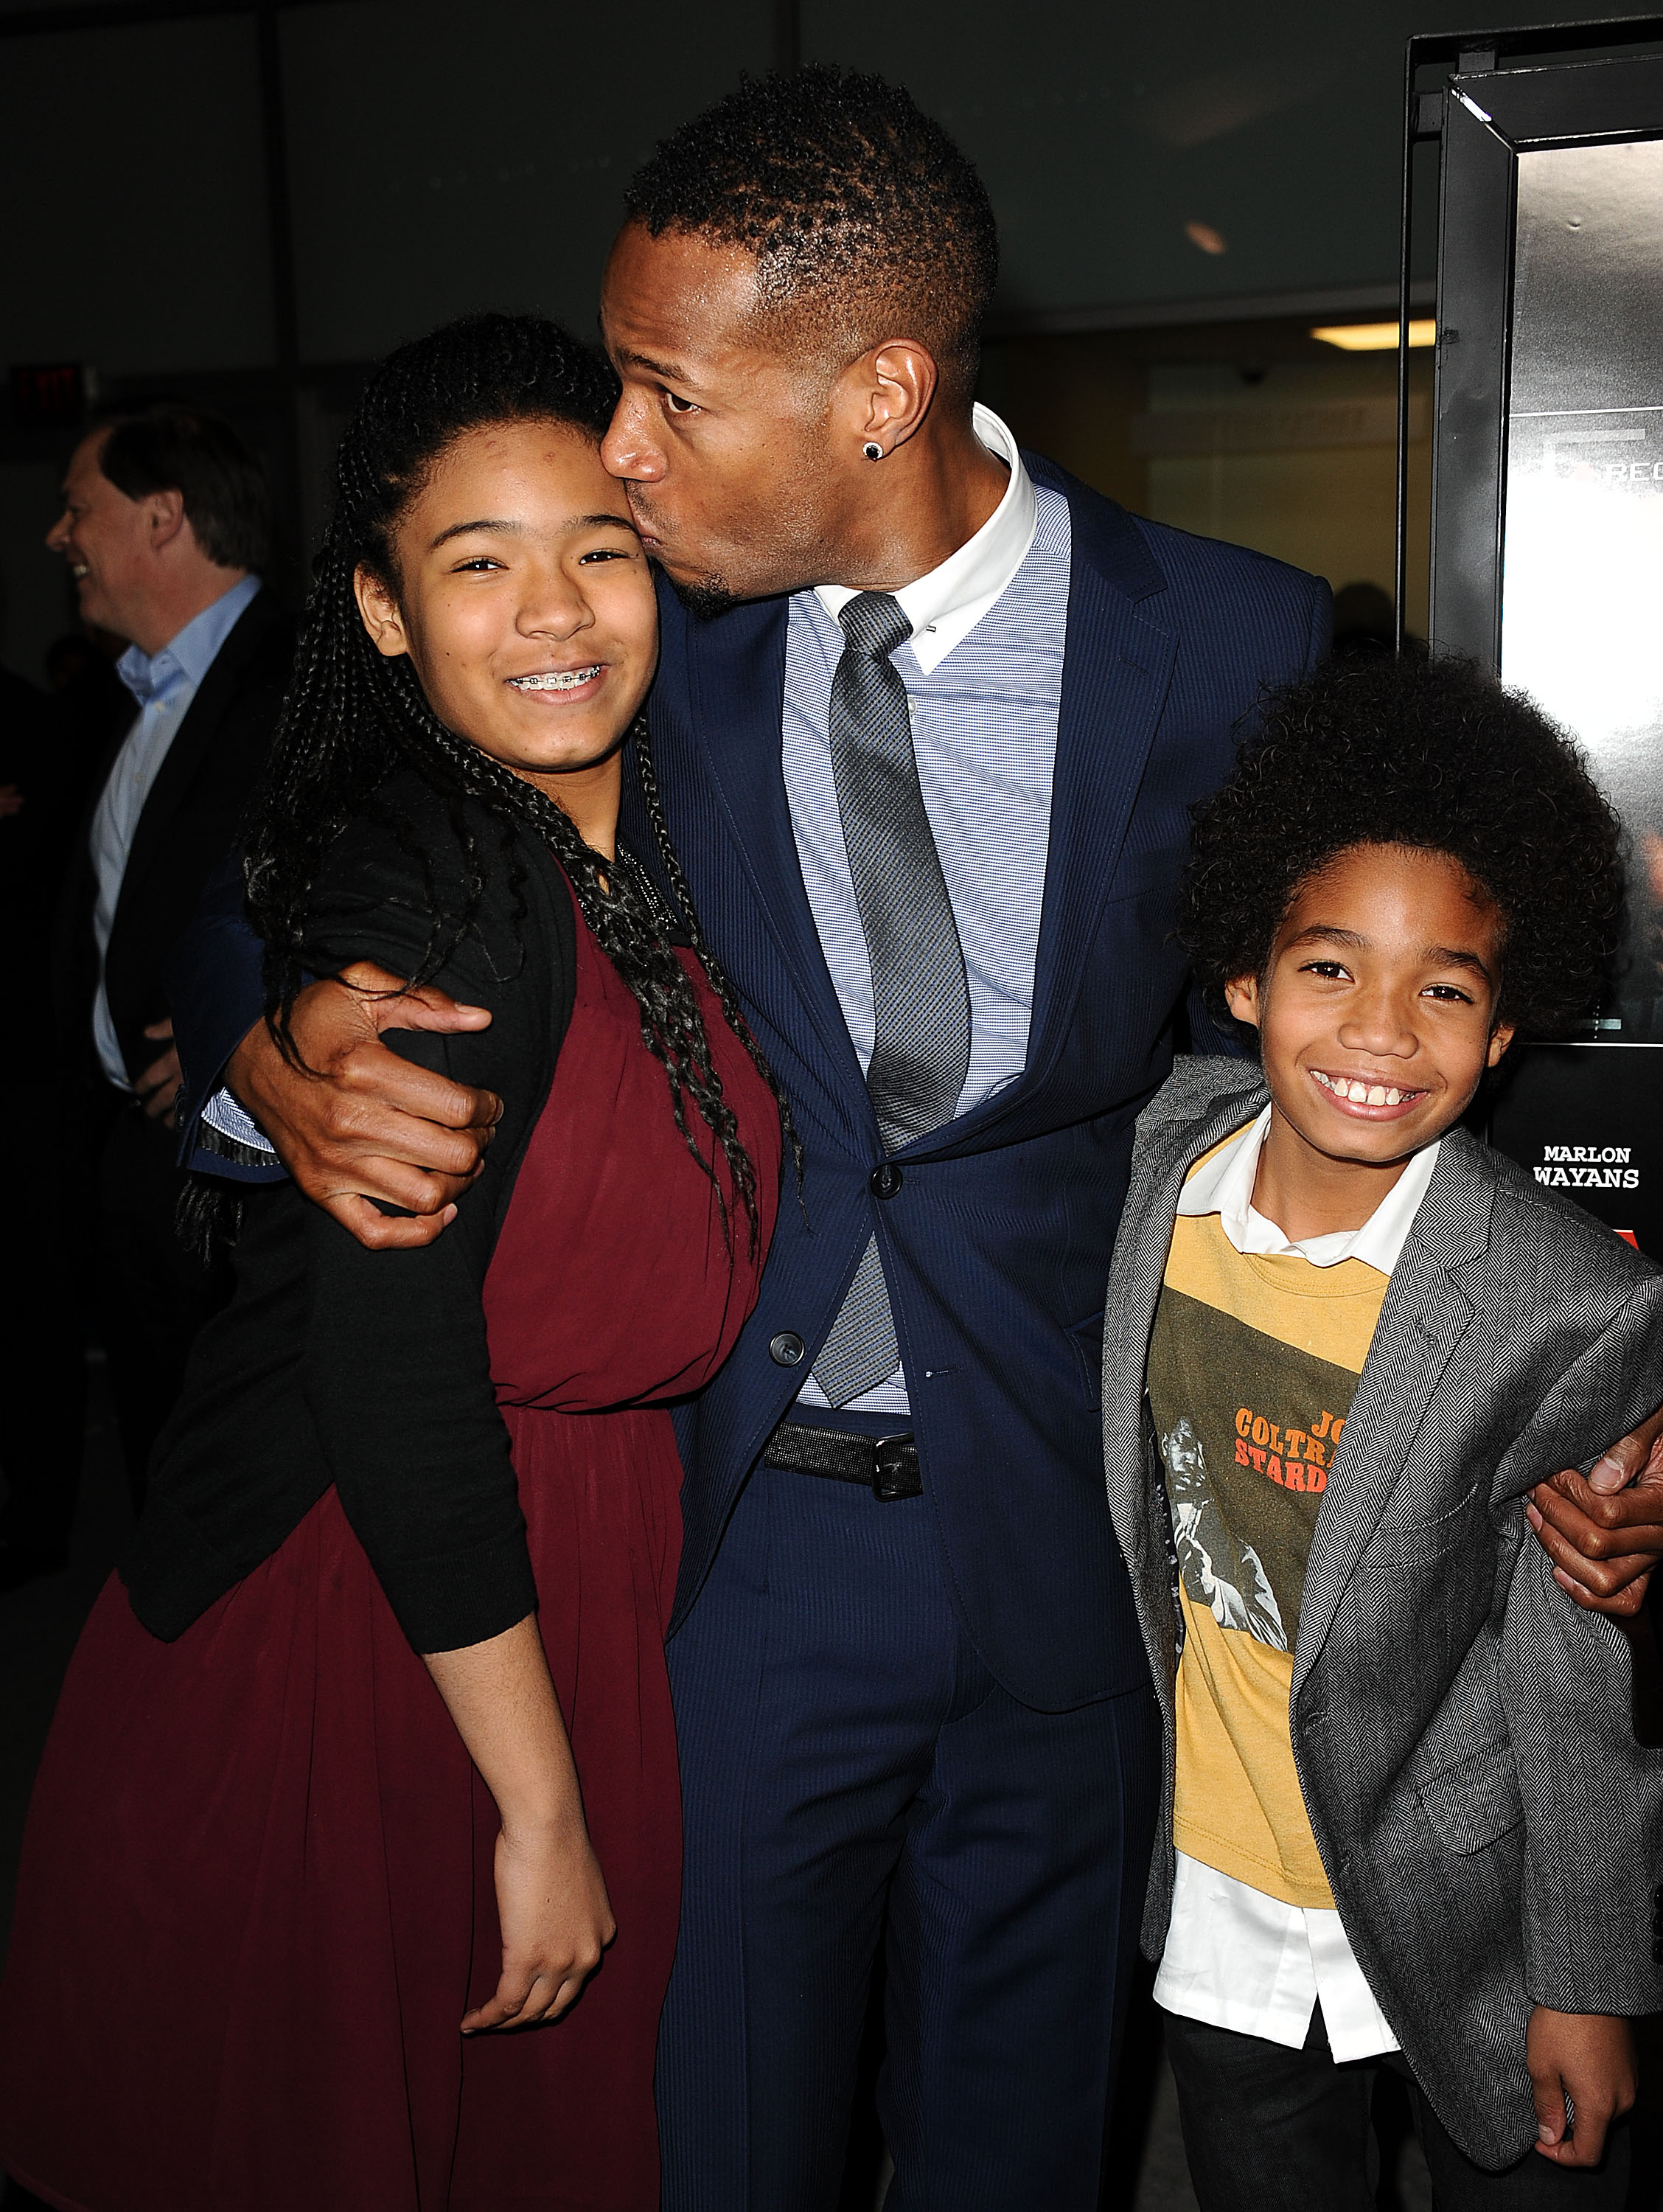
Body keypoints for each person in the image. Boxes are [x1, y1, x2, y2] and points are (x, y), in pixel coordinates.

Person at [162, 71, 1663, 2211]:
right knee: (735, 2136)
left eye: (668, 394)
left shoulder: (1224, 637)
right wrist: (270, 1017)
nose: (620, 452)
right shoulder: (651, 634)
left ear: (879, 390)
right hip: (746, 1542)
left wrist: (1587, 1392)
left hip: (1073, 1526)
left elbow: (1390, 1015)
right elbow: (283, 827)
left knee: (1022, 2139)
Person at [0, 314, 785, 2212]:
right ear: (378, 610)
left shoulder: (707, 824)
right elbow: (394, 1364)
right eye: (477, 561)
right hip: (375, 1608)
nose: (553, 610)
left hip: (600, 1564)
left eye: (598, 545)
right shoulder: (418, 881)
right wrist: (533, 1802)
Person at [1102, 652, 1662, 2208]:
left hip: (1465, 1903)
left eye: (1448, 991)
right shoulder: (1157, 1175)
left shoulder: (1560, 1302)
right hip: (1215, 1891)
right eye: (1330, 968)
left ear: (1504, 1036)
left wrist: (1591, 1977)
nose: (1380, 1031)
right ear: (1243, 980)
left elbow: (1576, 1668)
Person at [46, 404, 291, 1516]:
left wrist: (245, 1041)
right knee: (168, 1481)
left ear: (162, 518)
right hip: (133, 1159)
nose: (58, 538)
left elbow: (360, 897)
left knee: (244, 1487)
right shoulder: (124, 699)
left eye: (78, 509)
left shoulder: (302, 674)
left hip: (242, 1161)